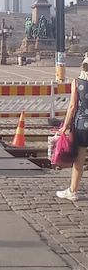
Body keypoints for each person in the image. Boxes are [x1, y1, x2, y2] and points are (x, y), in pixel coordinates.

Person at [56, 54, 88, 201]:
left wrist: (65, 126)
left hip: (82, 125)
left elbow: (72, 106)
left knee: (79, 159)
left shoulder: (77, 82)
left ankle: (73, 191)